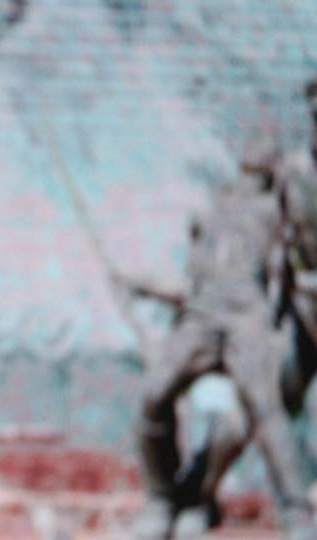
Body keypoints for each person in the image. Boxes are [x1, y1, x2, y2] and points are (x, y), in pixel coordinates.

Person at [131, 144, 316, 539]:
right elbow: (194, 279)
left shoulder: (279, 211)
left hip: (249, 321)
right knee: (153, 395)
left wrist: (275, 324)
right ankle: (162, 499)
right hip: (203, 317)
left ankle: (297, 513)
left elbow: (292, 272)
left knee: (267, 409)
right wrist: (145, 286)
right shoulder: (214, 211)